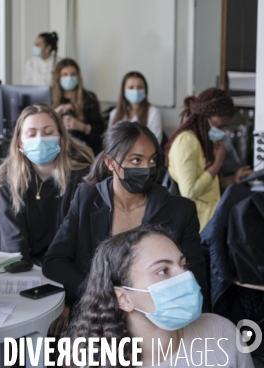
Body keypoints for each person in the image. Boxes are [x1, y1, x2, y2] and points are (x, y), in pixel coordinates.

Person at [43, 121, 207, 334]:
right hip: (96, 315)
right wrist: (95, 293)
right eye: (136, 160)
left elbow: (195, 277)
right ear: (110, 163)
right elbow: (54, 261)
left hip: (158, 320)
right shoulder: (86, 199)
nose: (146, 168)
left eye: (152, 160)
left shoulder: (181, 210)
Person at [65, 225, 254, 368]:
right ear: (123, 298)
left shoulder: (223, 333)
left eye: (184, 265)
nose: (186, 277)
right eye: (163, 271)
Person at [0, 104, 93, 265]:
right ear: (20, 144)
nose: (40, 139)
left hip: (74, 268)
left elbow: (85, 239)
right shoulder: (7, 182)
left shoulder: (83, 177)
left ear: (61, 138)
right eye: (31, 134)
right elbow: (15, 248)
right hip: (29, 271)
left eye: (48, 132)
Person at [165, 88, 251, 231]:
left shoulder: (202, 141)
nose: (223, 131)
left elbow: (207, 184)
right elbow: (190, 191)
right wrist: (217, 163)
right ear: (206, 117)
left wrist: (233, 179)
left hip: (209, 222)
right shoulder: (186, 141)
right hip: (196, 227)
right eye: (220, 125)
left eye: (226, 126)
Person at [52, 58, 104, 154]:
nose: (69, 78)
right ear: (58, 77)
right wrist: (54, 114)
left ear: (78, 76)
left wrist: (82, 127)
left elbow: (100, 133)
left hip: (83, 151)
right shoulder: (49, 96)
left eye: (73, 74)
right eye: (65, 75)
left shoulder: (89, 98)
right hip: (56, 151)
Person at [109, 71, 163, 143]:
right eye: (131, 87)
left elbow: (155, 142)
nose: (136, 91)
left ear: (145, 90)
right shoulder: (114, 113)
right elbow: (110, 141)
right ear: (124, 91)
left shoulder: (154, 113)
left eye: (140, 87)